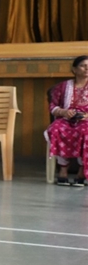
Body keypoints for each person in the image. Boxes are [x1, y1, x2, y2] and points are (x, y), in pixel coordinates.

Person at [47, 55, 88, 187]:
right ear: (74, 69)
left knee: (85, 132)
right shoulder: (63, 86)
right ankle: (63, 169)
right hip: (66, 119)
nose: (86, 68)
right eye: (83, 66)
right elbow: (53, 106)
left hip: (86, 121)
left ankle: (81, 171)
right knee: (56, 129)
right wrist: (64, 112)